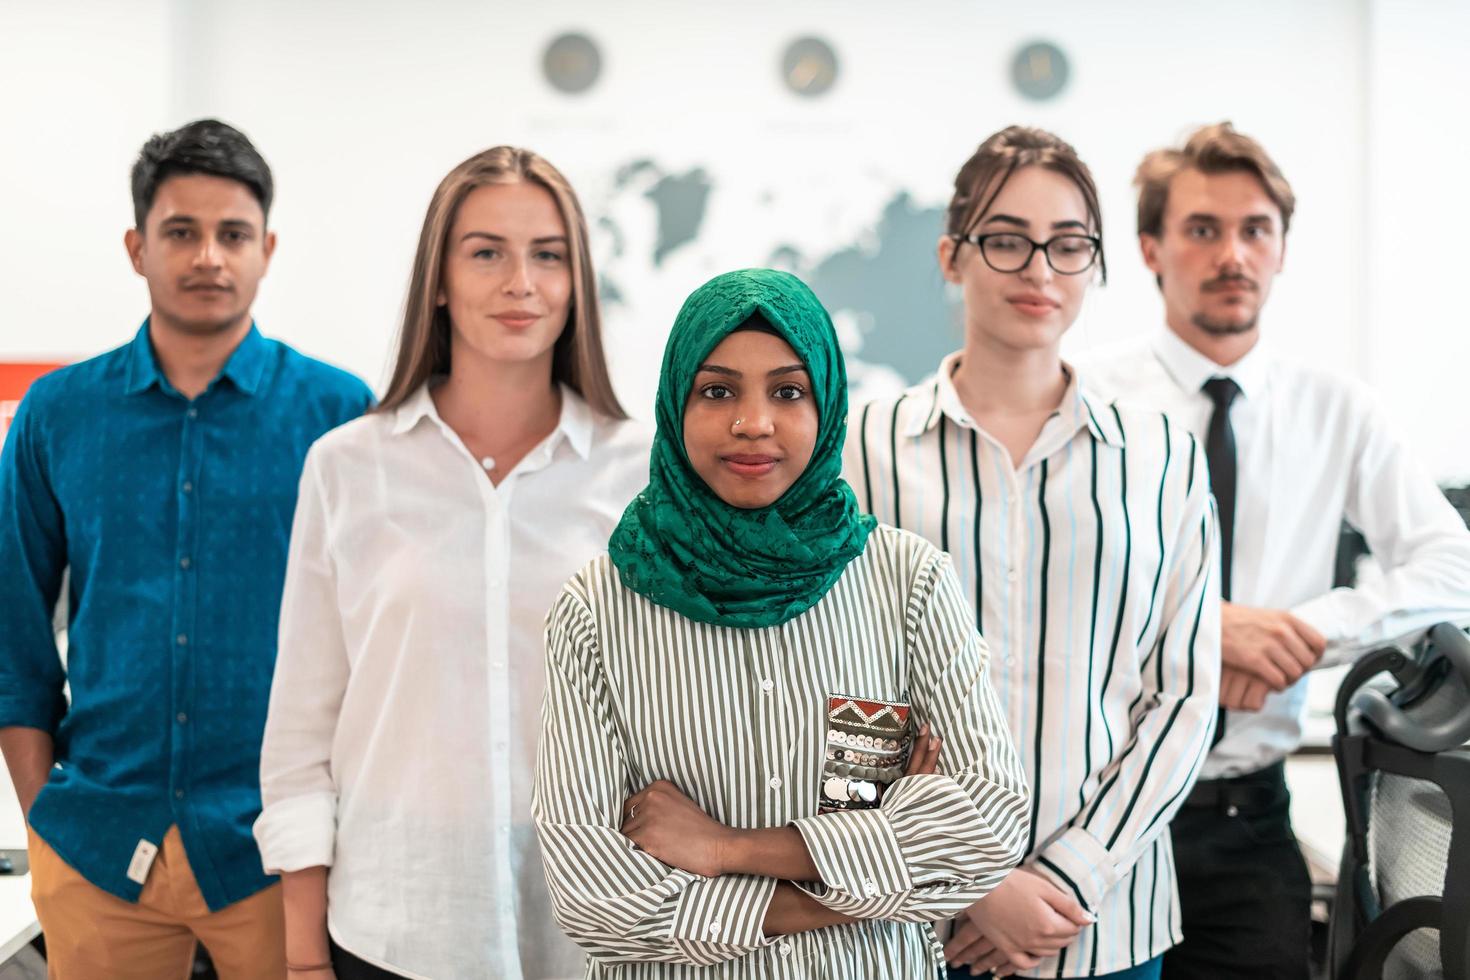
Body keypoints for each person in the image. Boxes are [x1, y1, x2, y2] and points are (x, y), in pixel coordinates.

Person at [533, 268, 1029, 977]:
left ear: (827, 405)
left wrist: (726, 849)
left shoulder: (909, 583)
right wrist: (866, 878)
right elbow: (597, 901)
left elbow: (985, 830)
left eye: (789, 392)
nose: (753, 421)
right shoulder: (598, 610)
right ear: (676, 404)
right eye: (718, 391)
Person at [1084, 122, 1470, 980]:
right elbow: (1046, 590)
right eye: (1202, 229)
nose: (1233, 254)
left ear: (1283, 249)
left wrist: (1294, 631)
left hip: (1244, 824)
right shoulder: (1087, 399)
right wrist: (1207, 629)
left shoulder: (1337, 408)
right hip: (1095, 815)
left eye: (1256, 229)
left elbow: (1452, 567)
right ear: (1150, 246)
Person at [254, 146, 649, 980]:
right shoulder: (347, 466)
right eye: (486, 253)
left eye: (548, 254)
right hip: (394, 932)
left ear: (577, 282)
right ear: (438, 278)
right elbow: (300, 732)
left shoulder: (643, 473)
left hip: (598, 936)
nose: (521, 282)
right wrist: (301, 958)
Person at [0, 119, 373, 979]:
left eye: (232, 234)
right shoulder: (57, 415)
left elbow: (378, 641)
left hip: (279, 852)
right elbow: (14, 634)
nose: (209, 256)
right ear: (137, 247)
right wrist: (40, 824)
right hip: (94, 846)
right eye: (181, 232)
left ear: (267, 249)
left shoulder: (338, 414)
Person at [846, 126, 1221, 980]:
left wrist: (1064, 877)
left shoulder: (1163, 459)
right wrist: (964, 881)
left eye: (1068, 244)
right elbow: (840, 688)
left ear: (1096, 263)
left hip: (1101, 927)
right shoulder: (859, 450)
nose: (1040, 271)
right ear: (952, 255)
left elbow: (1184, 699)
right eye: (1007, 241)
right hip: (904, 925)